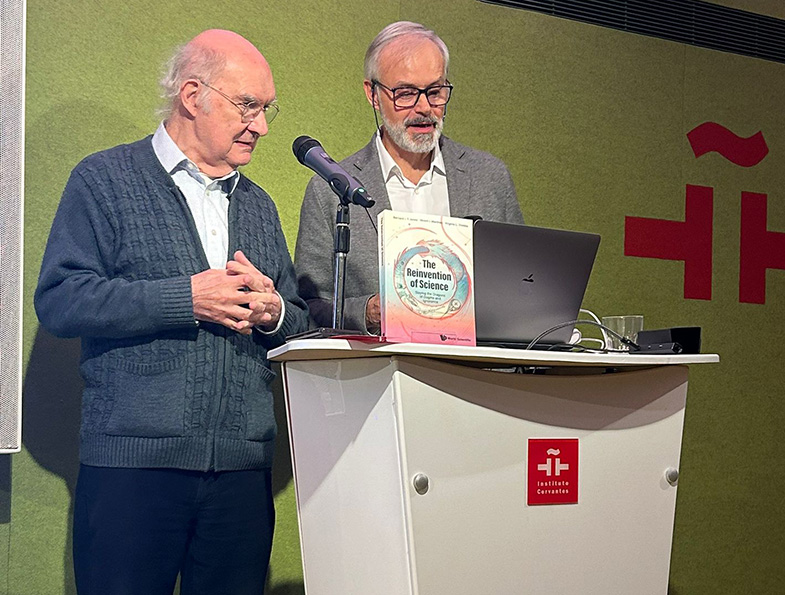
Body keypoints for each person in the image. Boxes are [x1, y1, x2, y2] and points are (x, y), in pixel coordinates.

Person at [33, 30, 308, 595]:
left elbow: (299, 322)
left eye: (266, 110)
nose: (260, 125)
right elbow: (60, 299)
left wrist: (274, 310)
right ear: (192, 95)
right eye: (247, 105)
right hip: (133, 471)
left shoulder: (258, 204)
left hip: (240, 474)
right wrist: (186, 298)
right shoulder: (103, 179)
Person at [295, 21, 524, 333]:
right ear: (372, 94)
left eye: (435, 91)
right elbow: (307, 307)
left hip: (474, 375)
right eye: (405, 93)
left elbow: (521, 287)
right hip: (379, 375)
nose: (424, 107)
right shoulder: (331, 190)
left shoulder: (489, 177)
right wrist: (368, 312)